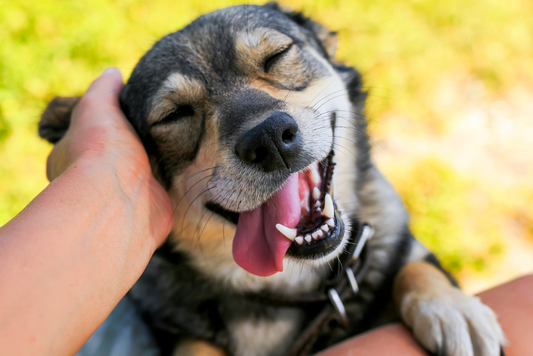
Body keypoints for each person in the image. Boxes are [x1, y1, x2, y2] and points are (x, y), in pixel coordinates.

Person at [0, 68, 531, 355]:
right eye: (178, 113)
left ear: (329, 58)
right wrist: (102, 174)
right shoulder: (161, 291)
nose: (266, 128)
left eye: (277, 62)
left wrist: (423, 285)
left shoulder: (378, 219)